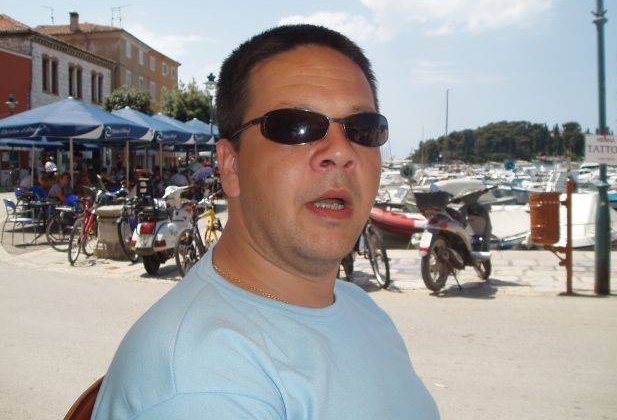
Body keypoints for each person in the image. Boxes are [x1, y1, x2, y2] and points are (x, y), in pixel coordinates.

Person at [92, 25, 439, 419]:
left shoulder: (359, 307)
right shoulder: (202, 382)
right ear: (231, 165)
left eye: (363, 129)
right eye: (295, 127)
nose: (341, 152)